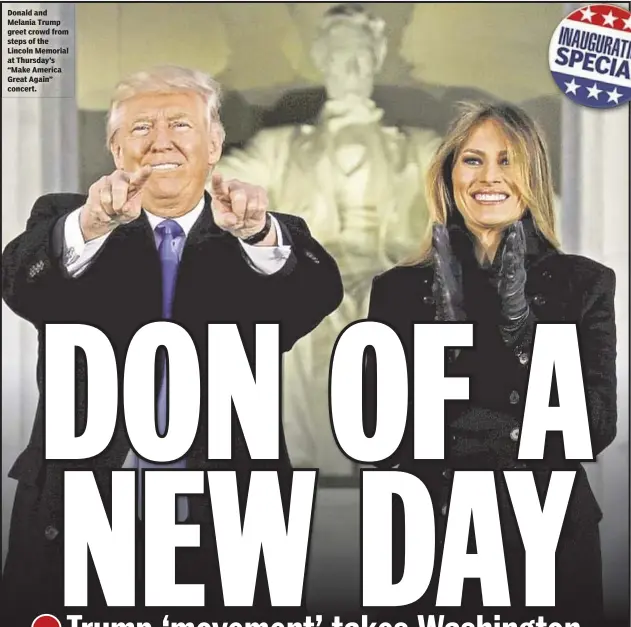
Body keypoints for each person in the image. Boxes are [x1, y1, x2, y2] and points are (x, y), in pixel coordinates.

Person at [1, 65, 343, 623]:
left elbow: (316, 295)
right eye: (141, 128)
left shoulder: (262, 232)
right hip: (83, 514)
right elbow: (20, 283)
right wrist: (91, 223)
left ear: (214, 144)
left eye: (180, 124)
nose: (161, 140)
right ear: (115, 147)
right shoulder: (68, 222)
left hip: (227, 522)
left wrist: (258, 235)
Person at [365, 102, 617, 621]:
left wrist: (522, 325)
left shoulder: (584, 284)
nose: (489, 177)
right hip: (428, 534)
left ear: (534, 174)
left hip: (545, 536)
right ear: (449, 174)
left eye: (508, 160)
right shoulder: (397, 290)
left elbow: (593, 427)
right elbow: (379, 430)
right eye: (473, 160)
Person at [216, 3, 442, 476]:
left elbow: (486, 180)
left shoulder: (419, 146)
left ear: (378, 57)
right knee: (289, 319)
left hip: (391, 270)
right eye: (339, 56)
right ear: (321, 59)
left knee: (399, 311)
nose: (351, 68)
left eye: (360, 55)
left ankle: (395, 464)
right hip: (314, 273)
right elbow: (208, 182)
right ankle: (298, 468)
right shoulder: (280, 149)